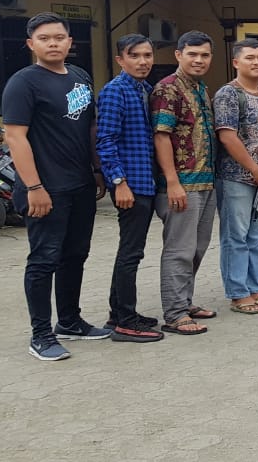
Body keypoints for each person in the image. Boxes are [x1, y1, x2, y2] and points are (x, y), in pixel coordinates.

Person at [5, 12, 109, 360]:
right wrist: (34, 186)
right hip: (45, 188)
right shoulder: (24, 82)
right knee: (43, 259)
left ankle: (70, 321)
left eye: (59, 37)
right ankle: (41, 334)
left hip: (80, 184)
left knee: (75, 255)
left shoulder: (79, 77)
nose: (53, 43)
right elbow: (15, 138)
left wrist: (96, 170)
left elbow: (89, 128)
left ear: (69, 42)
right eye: (45, 38)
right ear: (31, 44)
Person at [95, 33, 163, 342]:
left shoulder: (145, 90)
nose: (143, 61)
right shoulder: (115, 92)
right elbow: (105, 141)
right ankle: (125, 320)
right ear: (121, 59)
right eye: (134, 56)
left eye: (147, 55)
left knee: (132, 251)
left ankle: (117, 314)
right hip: (130, 185)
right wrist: (118, 182)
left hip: (145, 183)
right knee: (130, 252)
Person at [151, 30, 218, 335]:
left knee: (197, 248)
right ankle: (175, 313)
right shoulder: (167, 89)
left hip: (205, 182)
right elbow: (161, 136)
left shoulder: (201, 89)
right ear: (178, 55)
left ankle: (184, 301)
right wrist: (172, 181)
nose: (199, 60)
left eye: (204, 55)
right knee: (179, 249)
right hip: (180, 185)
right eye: (192, 54)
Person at [213, 38, 258, 315]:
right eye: (250, 58)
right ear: (235, 62)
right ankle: (237, 293)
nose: (257, 62)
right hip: (236, 178)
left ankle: (254, 287)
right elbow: (227, 135)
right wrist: (253, 168)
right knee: (236, 236)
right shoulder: (228, 94)